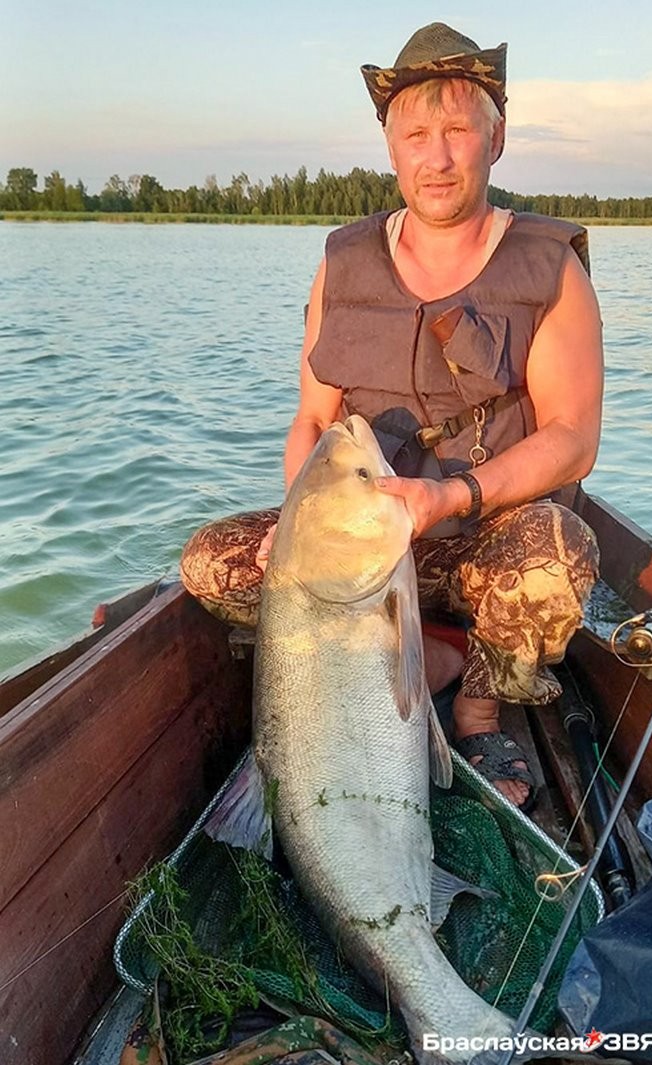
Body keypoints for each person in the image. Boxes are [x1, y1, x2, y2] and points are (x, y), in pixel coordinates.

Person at [180, 22, 603, 809]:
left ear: (496, 138)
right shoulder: (342, 258)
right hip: (364, 549)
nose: (436, 157)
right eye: (416, 134)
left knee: (560, 552)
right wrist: (302, 523)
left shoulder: (549, 266)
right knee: (211, 562)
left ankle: (478, 705)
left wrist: (451, 497)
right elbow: (312, 420)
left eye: (457, 131)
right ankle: (427, 654)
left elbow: (574, 440)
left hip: (484, 543)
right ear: (390, 145)